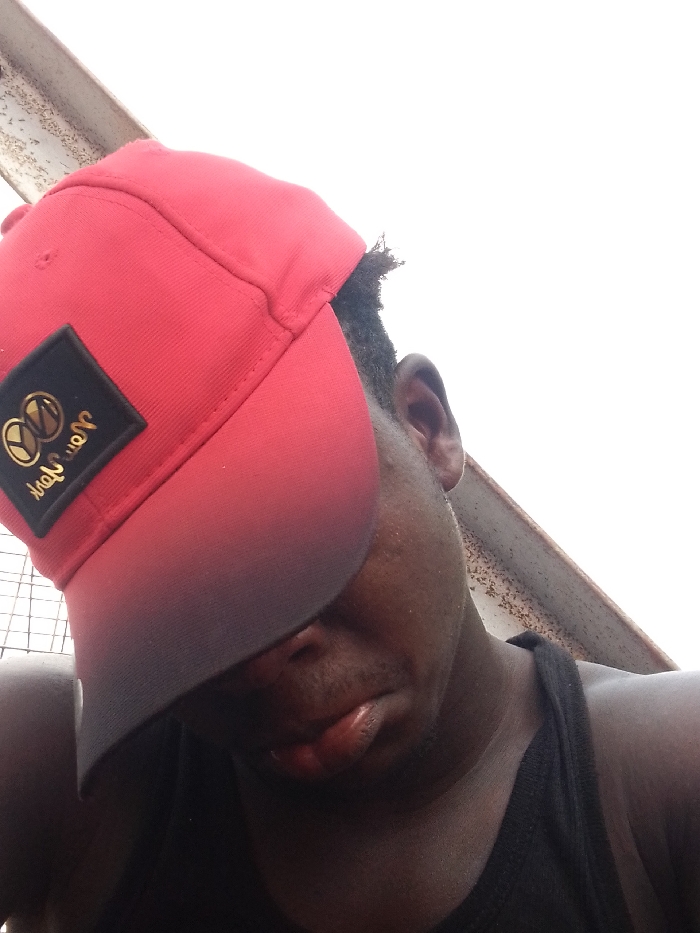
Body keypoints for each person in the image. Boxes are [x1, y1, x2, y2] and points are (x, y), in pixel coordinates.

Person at [0, 142, 698, 933]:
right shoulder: (61, 777)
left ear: (425, 426)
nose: (258, 659)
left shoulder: (664, 790)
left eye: (292, 531)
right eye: (166, 611)